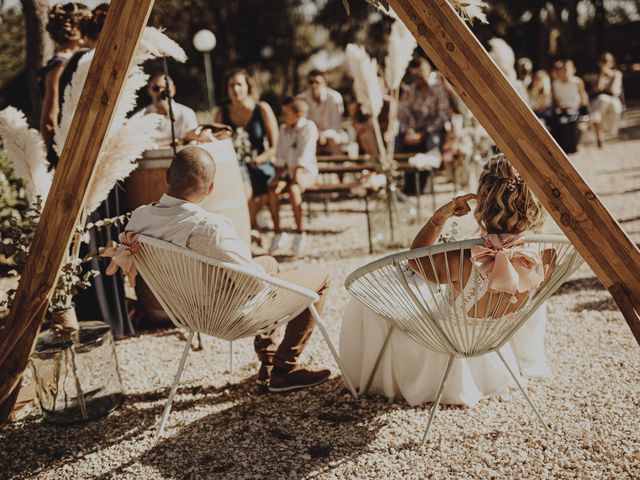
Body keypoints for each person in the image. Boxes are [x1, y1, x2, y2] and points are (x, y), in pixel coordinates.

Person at [340, 154, 555, 407]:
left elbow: (415, 260)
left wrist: (440, 216)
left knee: (371, 303)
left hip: (444, 343)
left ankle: (370, 381)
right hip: (495, 339)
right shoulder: (545, 256)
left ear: (482, 201)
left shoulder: (463, 258)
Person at [125, 147, 330, 392]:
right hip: (227, 316)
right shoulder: (209, 229)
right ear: (210, 189)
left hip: (185, 310)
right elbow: (255, 285)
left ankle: (268, 360)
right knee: (322, 277)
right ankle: (285, 369)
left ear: (167, 176)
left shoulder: (138, 220)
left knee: (270, 262)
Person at [215, 68, 279, 231]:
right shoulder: (221, 114)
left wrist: (261, 159)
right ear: (227, 89)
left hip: (260, 163)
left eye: (239, 84)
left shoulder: (262, 109)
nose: (236, 89)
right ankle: (252, 228)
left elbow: (274, 146)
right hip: (234, 166)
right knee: (242, 182)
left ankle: (259, 224)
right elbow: (215, 144)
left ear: (248, 87)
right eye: (231, 86)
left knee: (269, 182)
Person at [39, 2, 91, 164]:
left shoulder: (81, 60)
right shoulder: (60, 65)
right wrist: (57, 159)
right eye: (87, 25)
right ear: (75, 30)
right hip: (65, 151)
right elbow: (48, 120)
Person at [268, 97, 318, 256]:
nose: (283, 116)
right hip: (287, 172)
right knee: (273, 191)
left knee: (294, 191)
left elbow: (305, 153)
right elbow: (280, 155)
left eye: (286, 113)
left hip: (305, 172)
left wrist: (295, 178)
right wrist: (279, 178)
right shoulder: (284, 129)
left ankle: (299, 232)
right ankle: (278, 232)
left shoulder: (309, 127)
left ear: (298, 115)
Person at [397, 57, 452, 195]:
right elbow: (403, 114)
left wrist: (424, 133)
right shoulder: (409, 91)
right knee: (398, 142)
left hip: (433, 131)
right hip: (414, 131)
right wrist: (408, 131)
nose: (418, 79)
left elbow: (443, 116)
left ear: (429, 71)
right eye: (414, 75)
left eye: (420, 74)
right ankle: (407, 182)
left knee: (432, 141)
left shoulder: (438, 88)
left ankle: (427, 182)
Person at [138, 73, 199, 146]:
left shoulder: (187, 114)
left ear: (173, 89)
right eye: (156, 88)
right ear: (149, 91)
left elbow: (192, 143)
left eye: (166, 88)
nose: (161, 92)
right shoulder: (141, 116)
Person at [297, 70, 348, 154]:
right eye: (311, 82)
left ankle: (338, 165)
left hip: (332, 134)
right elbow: (302, 123)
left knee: (333, 140)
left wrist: (323, 135)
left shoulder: (334, 98)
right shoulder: (302, 99)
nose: (314, 85)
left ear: (325, 84)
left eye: (317, 82)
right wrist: (316, 135)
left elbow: (335, 126)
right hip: (311, 135)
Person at [551, 59, 589, 154]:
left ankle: (573, 146)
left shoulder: (577, 82)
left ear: (573, 70)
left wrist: (572, 106)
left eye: (566, 69)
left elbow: (583, 100)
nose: (564, 72)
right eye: (562, 69)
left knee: (572, 121)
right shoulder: (555, 83)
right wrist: (561, 106)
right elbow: (555, 100)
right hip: (561, 110)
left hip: (576, 109)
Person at [589, 52, 624, 146]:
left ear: (612, 63)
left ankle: (603, 131)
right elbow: (597, 89)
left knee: (608, 105)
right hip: (600, 100)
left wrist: (609, 74)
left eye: (606, 61)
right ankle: (599, 136)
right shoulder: (595, 76)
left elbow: (613, 90)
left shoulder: (617, 74)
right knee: (601, 101)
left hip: (612, 99)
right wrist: (601, 76)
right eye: (603, 61)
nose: (604, 63)